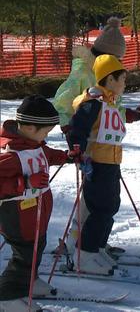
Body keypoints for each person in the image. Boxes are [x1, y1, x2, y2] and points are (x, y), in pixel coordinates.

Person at [67, 55, 140, 275]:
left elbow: (115, 122)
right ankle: (84, 254)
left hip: (111, 162)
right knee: (100, 208)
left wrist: (137, 114)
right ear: (110, 79)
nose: (125, 83)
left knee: (111, 206)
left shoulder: (110, 102)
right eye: (122, 78)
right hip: (96, 163)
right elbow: (78, 126)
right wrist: (77, 147)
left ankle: (95, 248)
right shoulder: (94, 101)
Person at [0, 95, 79, 311]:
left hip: (36, 213)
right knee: (24, 257)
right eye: (45, 131)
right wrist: (24, 183)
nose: (46, 136)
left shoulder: (33, 144)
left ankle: (30, 283)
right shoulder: (11, 154)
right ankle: (6, 297)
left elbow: (46, 154)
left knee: (37, 248)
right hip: (16, 215)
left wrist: (66, 157)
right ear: (31, 127)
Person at [53, 16, 140, 137]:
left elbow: (109, 107)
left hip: (103, 139)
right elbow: (62, 102)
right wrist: (68, 126)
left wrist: (129, 114)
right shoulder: (83, 73)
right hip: (84, 138)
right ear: (106, 56)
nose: (118, 64)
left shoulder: (108, 75)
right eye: (116, 60)